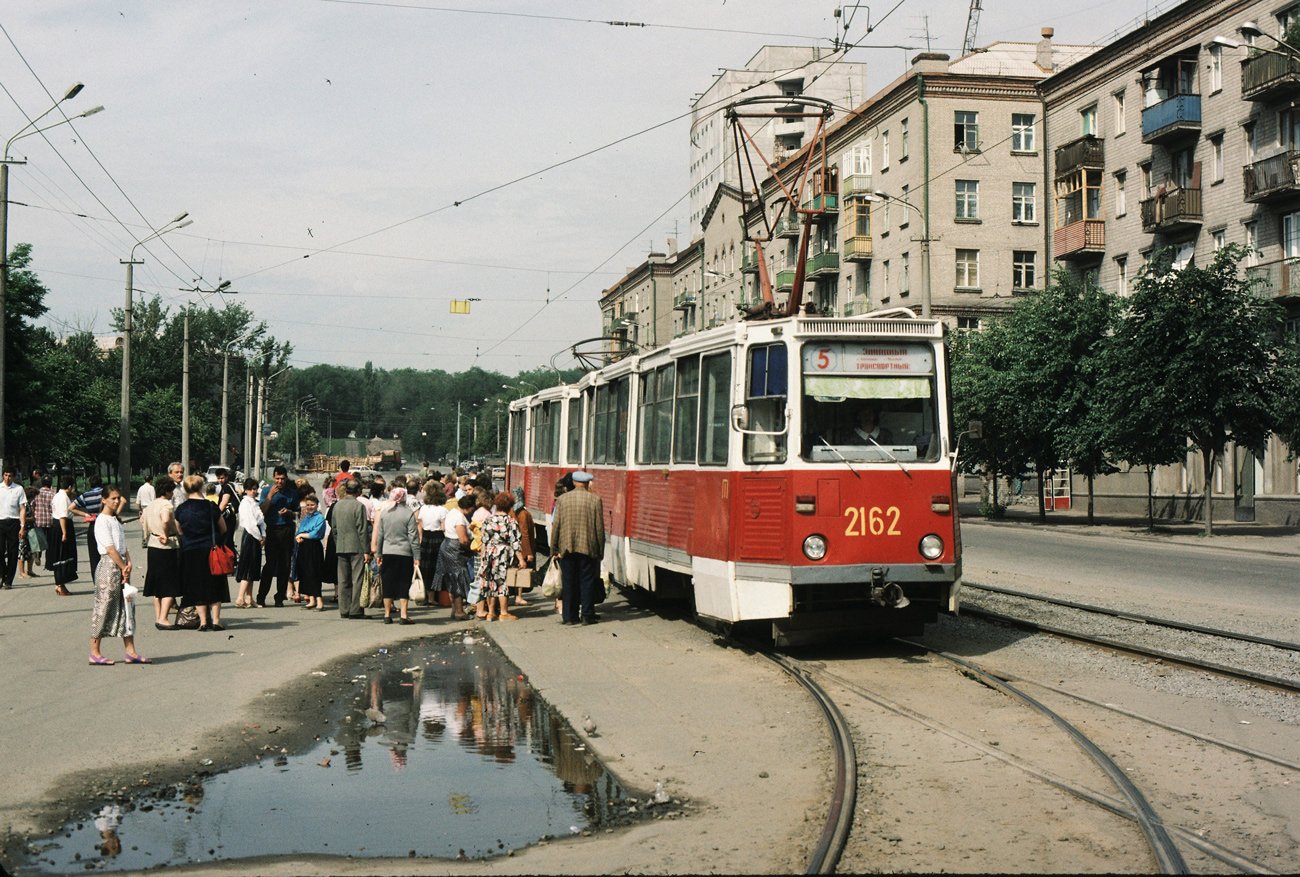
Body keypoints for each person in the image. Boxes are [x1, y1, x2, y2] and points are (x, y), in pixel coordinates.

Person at [88, 486, 150, 665]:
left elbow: (122, 545)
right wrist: (123, 566)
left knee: (127, 609)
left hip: (122, 565)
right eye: (113, 498)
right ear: (104, 500)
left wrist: (128, 562)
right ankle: (94, 651)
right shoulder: (102, 521)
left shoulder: (115, 520)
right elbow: (109, 548)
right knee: (104, 608)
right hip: (109, 566)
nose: (116, 501)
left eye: (118, 498)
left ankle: (130, 651)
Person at [551, 470, 605, 626]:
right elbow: (599, 528)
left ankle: (569, 616)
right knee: (586, 581)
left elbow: (557, 526)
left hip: (566, 548)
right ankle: (587, 615)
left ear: (574, 483)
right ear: (587, 483)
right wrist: (600, 550)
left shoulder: (562, 500)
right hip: (587, 548)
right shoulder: (595, 500)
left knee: (568, 582)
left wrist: (554, 548)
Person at [176, 474, 229, 631]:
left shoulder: (181, 509)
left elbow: (179, 530)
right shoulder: (211, 506)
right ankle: (217, 620)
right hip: (210, 550)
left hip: (190, 551)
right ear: (202, 487)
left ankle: (204, 621)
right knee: (214, 584)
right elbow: (224, 528)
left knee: (196, 584)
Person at [141, 477, 183, 629]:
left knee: (157, 583)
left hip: (153, 545)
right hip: (167, 546)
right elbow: (166, 520)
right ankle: (164, 618)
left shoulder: (150, 506)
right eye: (171, 490)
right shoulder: (166, 505)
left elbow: (143, 522)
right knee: (169, 583)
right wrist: (166, 533)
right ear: (167, 491)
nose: (173, 493)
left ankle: (158, 616)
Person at [475, 492, 524, 621]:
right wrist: (521, 559)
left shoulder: (488, 520)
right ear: (509, 506)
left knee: (489, 582)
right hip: (503, 554)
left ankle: (491, 613)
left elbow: (484, 540)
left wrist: (483, 558)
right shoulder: (511, 521)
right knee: (502, 582)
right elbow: (515, 542)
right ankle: (503, 612)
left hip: (489, 552)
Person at [372, 486, 418, 624]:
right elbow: (413, 538)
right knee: (404, 582)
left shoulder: (385, 513)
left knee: (388, 582)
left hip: (387, 552)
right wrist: (417, 557)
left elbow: (380, 535)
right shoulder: (408, 513)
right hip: (405, 553)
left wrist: (378, 553)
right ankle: (403, 615)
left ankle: (387, 615)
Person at [256, 466, 299, 607]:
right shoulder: (266, 490)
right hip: (272, 530)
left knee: (285, 565)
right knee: (270, 564)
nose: (279, 481)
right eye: (277, 478)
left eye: (282, 478)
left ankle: (279, 597)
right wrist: (270, 496)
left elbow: (298, 513)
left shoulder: (292, 493)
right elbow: (262, 510)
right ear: (274, 478)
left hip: (286, 529)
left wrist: (289, 512)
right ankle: (261, 596)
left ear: (286, 478)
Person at [332, 478, 371, 619]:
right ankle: (356, 610)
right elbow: (362, 530)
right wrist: (367, 550)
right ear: (358, 491)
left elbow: (334, 529)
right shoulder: (358, 506)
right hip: (356, 547)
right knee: (357, 579)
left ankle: (344, 609)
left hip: (341, 546)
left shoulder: (337, 506)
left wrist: (338, 543)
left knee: (343, 580)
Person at [432, 494, 475, 620]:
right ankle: (459, 611)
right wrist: (472, 548)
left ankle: (454, 610)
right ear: (469, 507)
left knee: (451, 580)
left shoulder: (452, 512)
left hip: (446, 545)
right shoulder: (460, 518)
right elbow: (463, 540)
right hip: (455, 549)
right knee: (458, 579)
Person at [234, 478, 265, 608]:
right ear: (246, 490)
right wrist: (259, 537)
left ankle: (249, 597)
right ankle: (240, 597)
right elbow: (249, 524)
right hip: (250, 535)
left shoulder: (254, 503)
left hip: (257, 534)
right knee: (247, 566)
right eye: (251, 489)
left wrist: (263, 534)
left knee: (253, 567)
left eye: (255, 489)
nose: (254, 491)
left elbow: (261, 521)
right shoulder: (245, 503)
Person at [295, 493, 327, 611]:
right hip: (304, 547)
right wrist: (299, 536)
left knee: (314, 572)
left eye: (312, 505)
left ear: (317, 505)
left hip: (314, 547)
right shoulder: (306, 517)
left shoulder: (320, 518)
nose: (310, 507)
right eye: (308, 505)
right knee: (305, 572)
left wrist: (302, 534)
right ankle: (312, 599)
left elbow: (316, 533)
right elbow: (299, 530)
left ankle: (319, 600)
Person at [417, 480, 447, 606]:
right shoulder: (442, 510)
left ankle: (425, 595)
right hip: (438, 538)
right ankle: (434, 597)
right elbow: (444, 528)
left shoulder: (423, 508)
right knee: (437, 568)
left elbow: (420, 525)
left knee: (426, 568)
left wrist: (420, 539)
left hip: (425, 538)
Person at [48, 477, 78, 595]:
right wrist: (64, 532)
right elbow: (62, 516)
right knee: (62, 555)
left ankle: (60, 584)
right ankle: (60, 584)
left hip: (59, 526)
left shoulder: (58, 495)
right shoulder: (63, 497)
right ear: (70, 487)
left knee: (62, 555)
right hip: (62, 527)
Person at [71, 475, 106, 578]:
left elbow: (71, 507)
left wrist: (85, 514)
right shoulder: (105, 493)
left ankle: (96, 580)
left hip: (93, 525)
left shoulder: (85, 495)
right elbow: (121, 500)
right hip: (104, 523)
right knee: (107, 553)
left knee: (94, 555)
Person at [0, 466, 28, 589]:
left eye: (10, 475)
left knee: (12, 552)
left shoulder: (19, 489)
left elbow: (22, 509)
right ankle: (3, 573)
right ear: (2, 475)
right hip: (0, 522)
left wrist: (22, 527)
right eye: (5, 475)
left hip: (13, 522)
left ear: (14, 476)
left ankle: (9, 580)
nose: (7, 478)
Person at [510, 485, 535, 607]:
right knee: (521, 571)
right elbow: (524, 534)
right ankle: (519, 597)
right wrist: (528, 552)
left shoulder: (510, 512)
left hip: (512, 547)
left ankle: (515, 595)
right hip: (521, 548)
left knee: (514, 571)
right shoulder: (523, 514)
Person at [28, 475, 54, 576]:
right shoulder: (53, 494)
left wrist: (34, 514)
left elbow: (32, 504)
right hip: (50, 521)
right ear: (51, 483)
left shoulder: (37, 493)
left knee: (39, 541)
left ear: (42, 483)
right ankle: (49, 562)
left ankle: (37, 554)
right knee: (49, 543)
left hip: (38, 520)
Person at [213, 468, 239, 552]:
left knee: (227, 540)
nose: (220, 480)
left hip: (228, 518)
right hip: (230, 517)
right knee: (229, 540)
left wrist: (217, 515)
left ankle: (230, 559)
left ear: (226, 477)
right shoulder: (230, 485)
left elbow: (224, 503)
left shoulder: (227, 487)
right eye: (218, 478)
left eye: (222, 478)